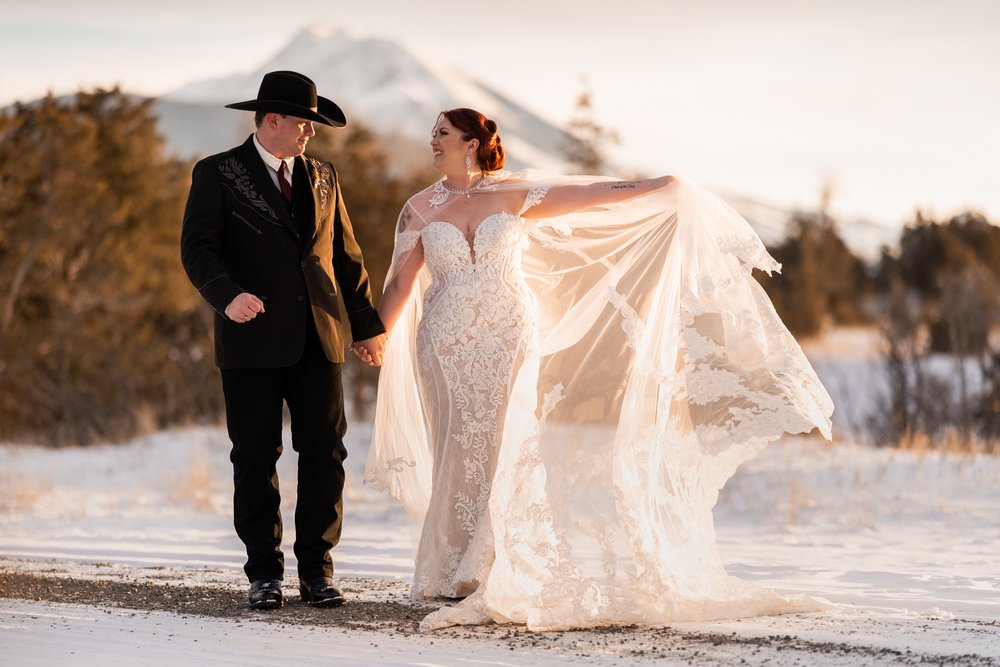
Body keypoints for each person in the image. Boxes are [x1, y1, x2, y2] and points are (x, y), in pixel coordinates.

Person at [365, 108, 834, 632]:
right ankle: (449, 569)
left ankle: (493, 564)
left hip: (508, 336)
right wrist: (376, 334)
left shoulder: (514, 195)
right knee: (455, 443)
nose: (433, 142)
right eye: (433, 134)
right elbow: (401, 284)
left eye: (442, 135)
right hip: (447, 341)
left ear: (472, 144)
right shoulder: (420, 209)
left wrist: (657, 185)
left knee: (504, 442)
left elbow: (594, 195)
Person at [180, 70, 386, 610]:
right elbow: (198, 250)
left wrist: (365, 327)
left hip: (321, 338)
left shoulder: (323, 176)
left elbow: (345, 256)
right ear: (272, 119)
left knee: (325, 453)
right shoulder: (217, 173)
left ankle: (317, 571)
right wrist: (226, 296)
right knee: (255, 457)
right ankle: (264, 574)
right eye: (303, 124)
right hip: (249, 340)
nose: (310, 135)